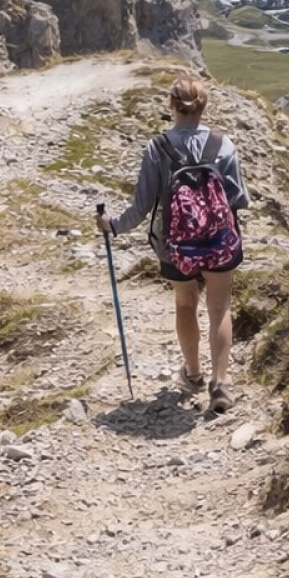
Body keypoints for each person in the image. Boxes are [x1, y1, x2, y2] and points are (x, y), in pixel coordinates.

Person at [97, 75, 248, 414]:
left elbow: (143, 205)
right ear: (204, 105)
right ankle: (220, 383)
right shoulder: (224, 144)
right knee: (220, 306)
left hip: (174, 245)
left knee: (185, 304)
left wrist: (113, 226)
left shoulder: (158, 147)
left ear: (171, 105)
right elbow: (238, 197)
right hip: (221, 241)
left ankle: (193, 373)